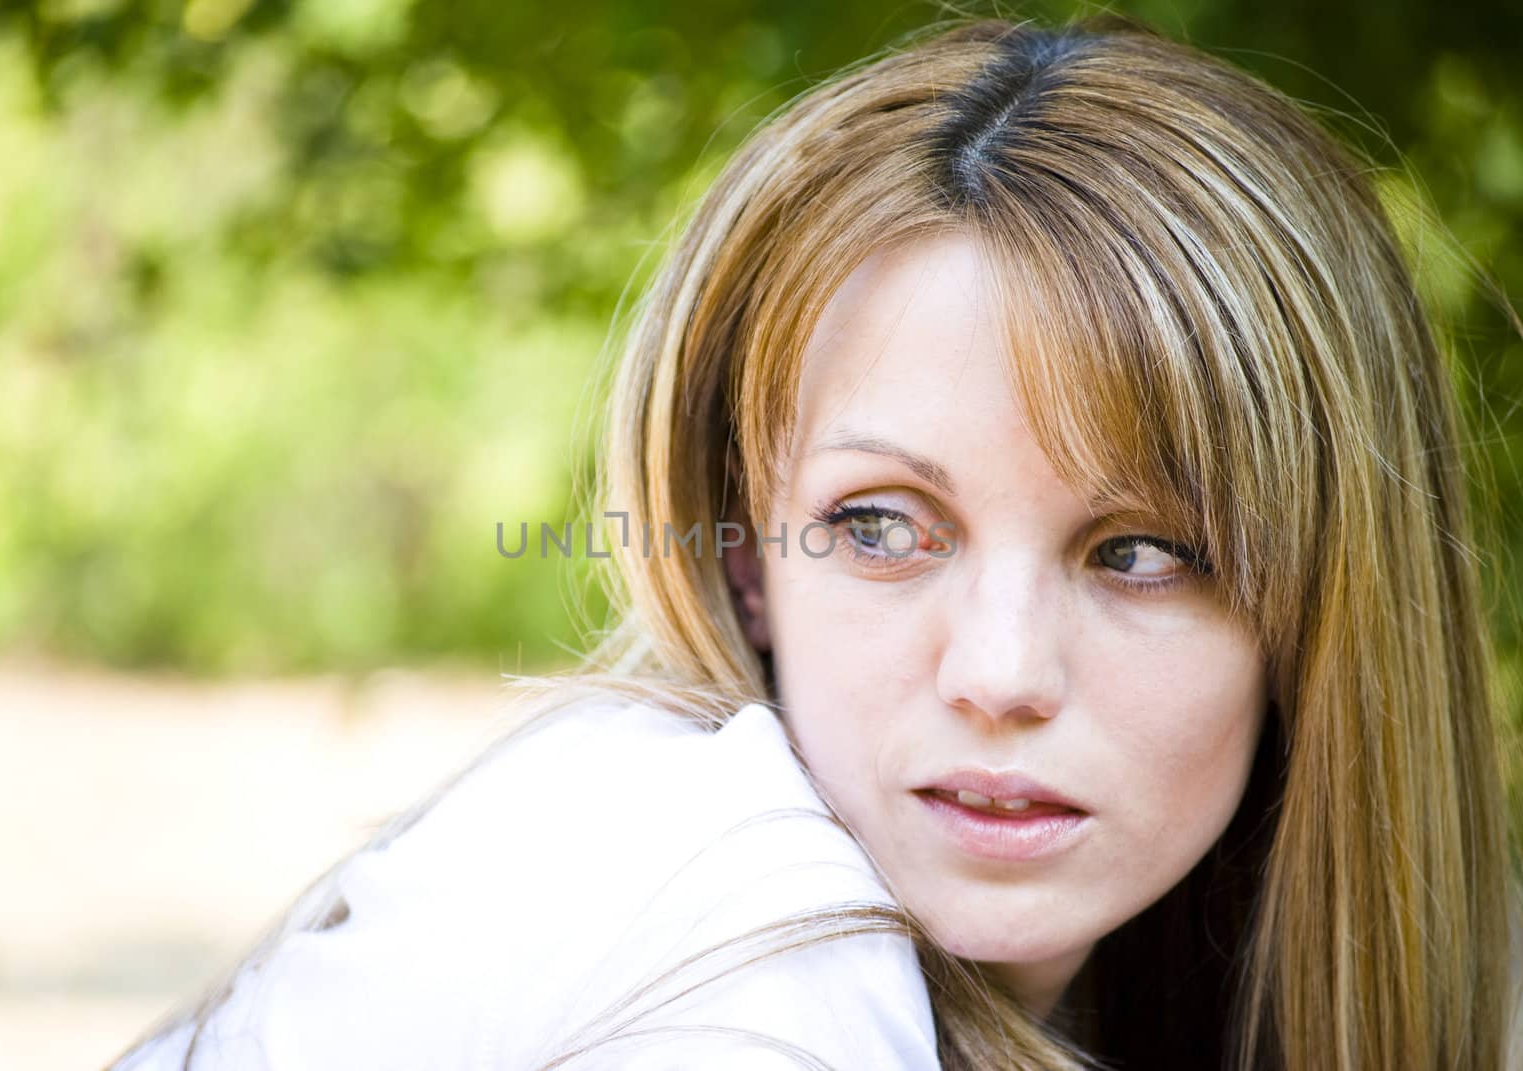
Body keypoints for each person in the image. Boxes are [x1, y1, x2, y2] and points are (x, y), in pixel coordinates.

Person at [108, 13, 1520, 1070]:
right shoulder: (747, 952)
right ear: (743, 559)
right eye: (884, 527)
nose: (1002, 671)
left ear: (1327, 608)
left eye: (1143, 552)